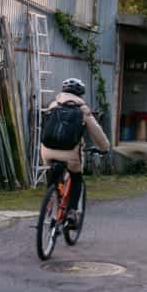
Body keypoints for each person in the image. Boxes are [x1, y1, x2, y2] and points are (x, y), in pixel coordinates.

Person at [40, 78, 110, 224]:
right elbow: (97, 133)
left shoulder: (53, 105)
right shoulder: (83, 111)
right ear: (80, 94)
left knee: (54, 174)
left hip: (47, 151)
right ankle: (72, 211)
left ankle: (49, 200)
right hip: (70, 154)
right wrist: (104, 148)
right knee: (76, 178)